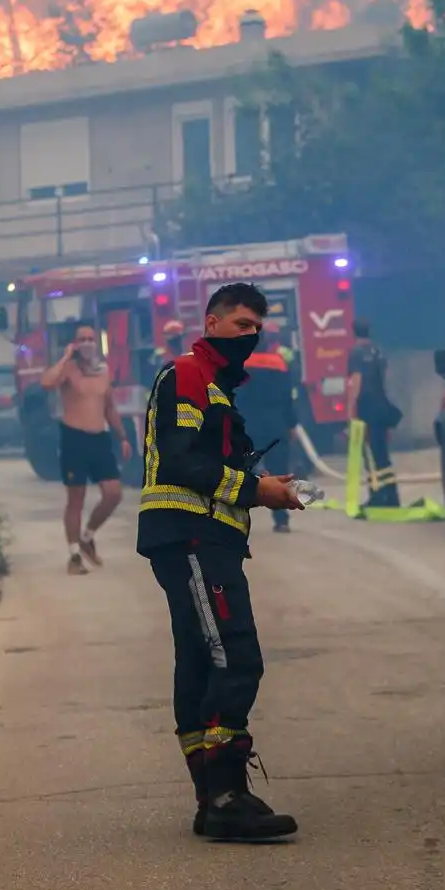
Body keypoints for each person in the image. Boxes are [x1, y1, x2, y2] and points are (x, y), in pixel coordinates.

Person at [137, 282, 305, 841]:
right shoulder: (188, 375)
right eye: (240, 325)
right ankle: (227, 795)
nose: (251, 335)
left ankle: (213, 800)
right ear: (211, 324)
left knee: (203, 661)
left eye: (258, 327)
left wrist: (261, 483)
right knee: (234, 656)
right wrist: (258, 493)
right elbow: (185, 463)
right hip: (190, 537)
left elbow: (214, 460)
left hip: (202, 540)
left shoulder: (216, 385)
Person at [41, 319, 131, 575]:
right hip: (74, 438)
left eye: (91, 339)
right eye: (82, 339)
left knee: (113, 493)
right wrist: (66, 356)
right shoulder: (68, 369)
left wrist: (122, 436)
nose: (87, 344)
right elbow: (47, 383)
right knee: (75, 499)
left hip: (99, 438)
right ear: (75, 344)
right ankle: (74, 556)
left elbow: (110, 407)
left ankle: (88, 536)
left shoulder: (104, 371)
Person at [234, 321, 300, 533]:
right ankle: (282, 520)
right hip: (276, 424)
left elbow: (237, 398)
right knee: (280, 471)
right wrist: (291, 424)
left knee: (239, 471)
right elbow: (288, 398)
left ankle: (236, 519)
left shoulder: (241, 364)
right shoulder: (279, 363)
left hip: (249, 425)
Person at [346, 318, 402, 508]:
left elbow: (356, 381)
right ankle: (392, 496)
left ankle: (377, 497)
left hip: (366, 408)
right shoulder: (378, 351)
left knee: (370, 455)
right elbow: (384, 380)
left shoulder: (356, 353)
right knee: (383, 454)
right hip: (381, 405)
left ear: (353, 332)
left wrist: (351, 408)